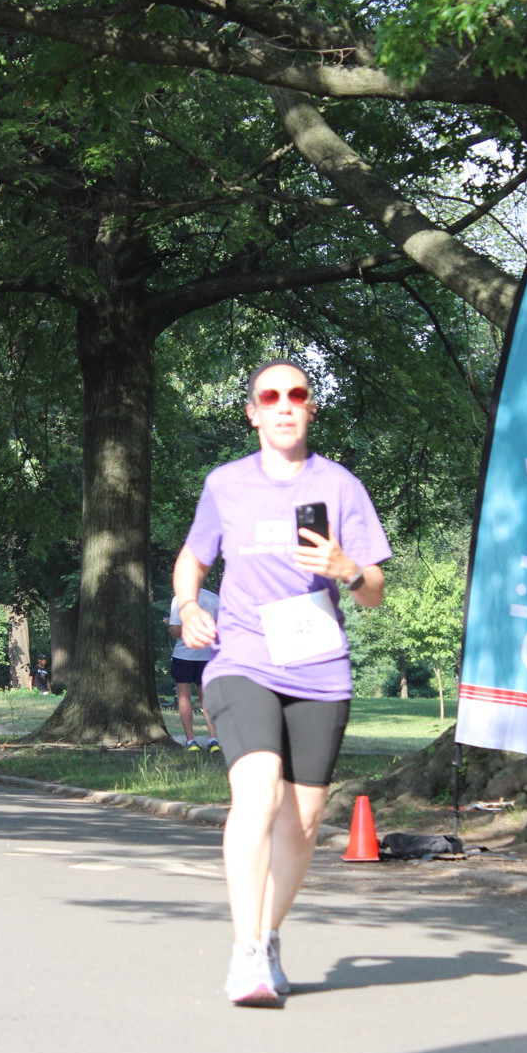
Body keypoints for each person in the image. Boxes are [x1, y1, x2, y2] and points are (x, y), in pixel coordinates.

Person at [173, 359, 391, 1006]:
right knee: (258, 791)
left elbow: (375, 592)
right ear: (253, 413)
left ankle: (267, 936)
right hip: (241, 658)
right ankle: (245, 953)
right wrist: (188, 606)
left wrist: (347, 567)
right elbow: (193, 558)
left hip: (318, 666)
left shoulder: (341, 486)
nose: (285, 404)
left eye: (297, 394)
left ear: (310, 407)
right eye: (271, 396)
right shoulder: (226, 484)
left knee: (303, 819)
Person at [166, 588, 221, 752]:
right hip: (208, 655)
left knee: (184, 697)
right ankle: (214, 740)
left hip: (184, 655)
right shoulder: (214, 598)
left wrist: (170, 624)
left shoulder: (180, 599)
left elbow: (176, 631)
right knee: (207, 698)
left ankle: (191, 741)